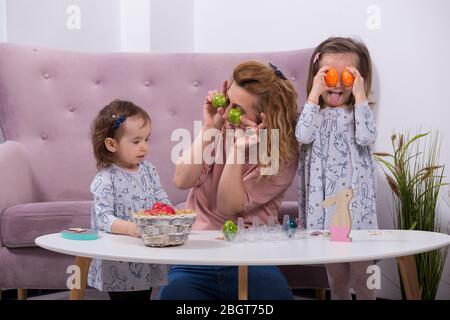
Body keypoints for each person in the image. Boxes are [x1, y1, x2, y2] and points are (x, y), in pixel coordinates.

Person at [160, 61, 299, 300]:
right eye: (228, 101)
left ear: (264, 117)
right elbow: (181, 180)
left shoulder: (282, 153)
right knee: (175, 296)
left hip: (253, 254)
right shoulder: (219, 127)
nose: (227, 112)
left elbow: (228, 205)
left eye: (239, 109)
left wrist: (237, 150)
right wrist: (208, 128)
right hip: (199, 251)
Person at [296, 37, 378, 300]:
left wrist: (361, 96)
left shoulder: (359, 114)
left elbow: (367, 137)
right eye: (330, 74)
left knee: (364, 277)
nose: (339, 83)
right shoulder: (313, 113)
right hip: (326, 208)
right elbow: (302, 135)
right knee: (337, 279)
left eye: (348, 76)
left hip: (357, 209)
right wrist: (313, 93)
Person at [88, 99, 169, 300]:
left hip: (146, 252)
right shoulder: (106, 178)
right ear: (111, 144)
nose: (144, 147)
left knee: (144, 294)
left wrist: (169, 216)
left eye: (147, 140)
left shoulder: (148, 171)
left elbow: (161, 198)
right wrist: (132, 228)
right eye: (136, 141)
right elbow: (104, 218)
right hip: (119, 258)